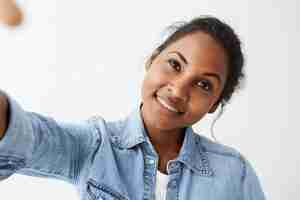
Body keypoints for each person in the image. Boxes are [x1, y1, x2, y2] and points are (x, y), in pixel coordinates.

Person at [0, 16, 266, 200]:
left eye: (204, 84)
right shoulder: (94, 146)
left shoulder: (235, 173)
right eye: (175, 64)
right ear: (152, 60)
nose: (178, 91)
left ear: (214, 104)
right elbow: (25, 138)